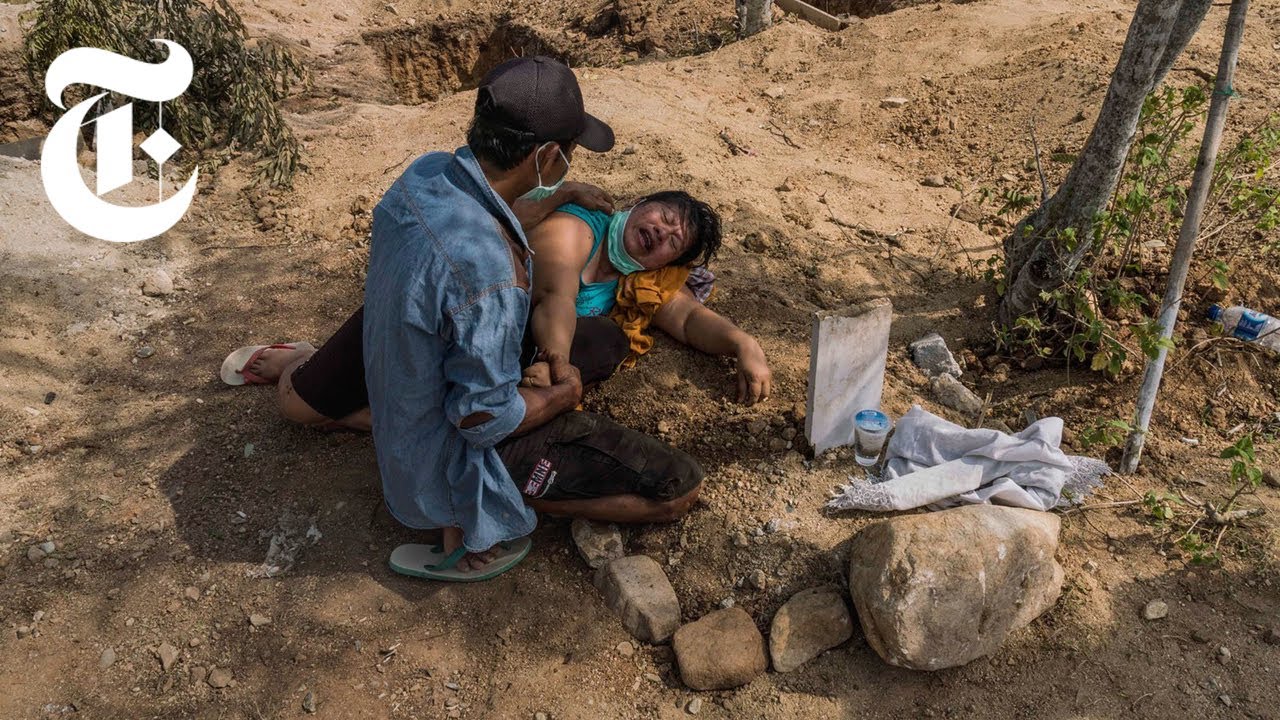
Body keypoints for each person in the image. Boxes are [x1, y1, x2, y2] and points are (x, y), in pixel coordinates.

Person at [333, 57, 710, 580]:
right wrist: (562, 394)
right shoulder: (492, 273)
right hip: (440, 450)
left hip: (401, 389)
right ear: (549, 156)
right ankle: (480, 521)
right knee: (678, 487)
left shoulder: (425, 173)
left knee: (594, 347)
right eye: (571, 156)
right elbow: (482, 419)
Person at [524, 192, 773, 404]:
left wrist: (743, 343)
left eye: (674, 242)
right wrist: (558, 364)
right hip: (503, 325)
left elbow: (688, 318)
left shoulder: (640, 282)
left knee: (609, 338)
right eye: (665, 218)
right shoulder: (580, 222)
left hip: (538, 367)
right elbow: (554, 296)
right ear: (638, 203)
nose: (661, 232)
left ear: (667, 264)